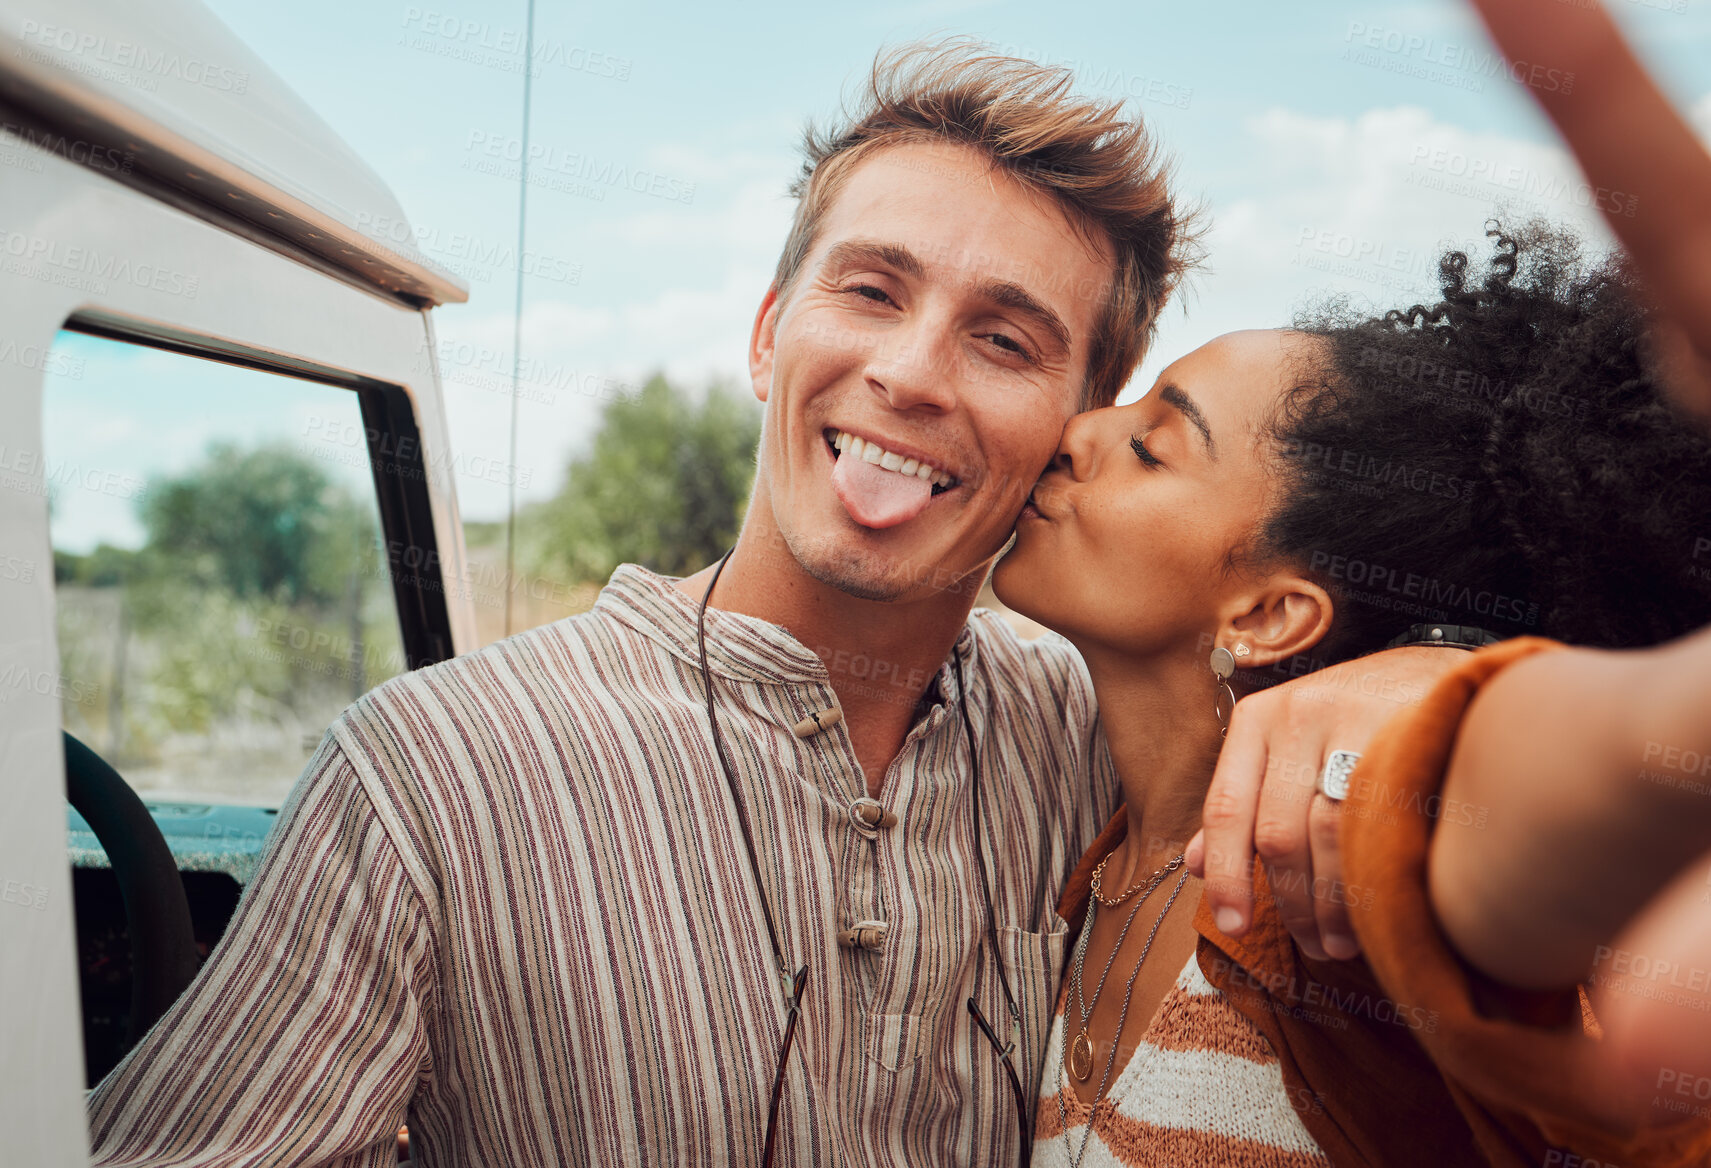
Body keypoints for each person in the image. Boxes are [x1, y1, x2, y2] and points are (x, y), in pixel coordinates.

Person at [85, 42, 1447, 1167]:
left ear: (1072, 431)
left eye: (1004, 338)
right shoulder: (434, 771)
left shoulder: (1093, 747)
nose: (910, 374)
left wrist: (1429, 675)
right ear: (764, 335)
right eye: (868, 289)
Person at [994, 221, 1711, 1166]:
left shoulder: (1340, 882)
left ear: (1269, 615)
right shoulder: (1084, 846)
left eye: (1153, 446)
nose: (1078, 431)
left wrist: (1466, 686)